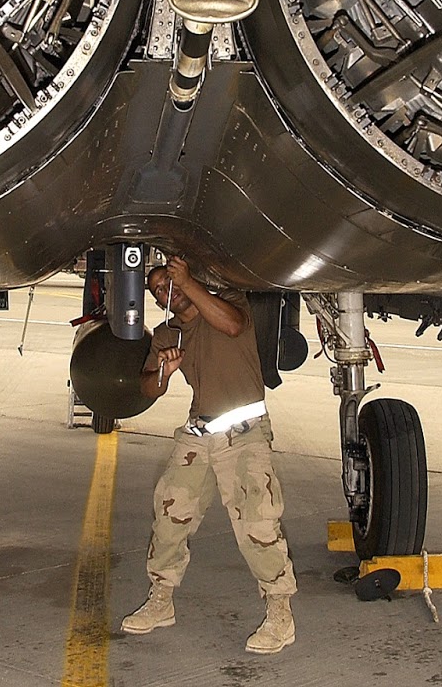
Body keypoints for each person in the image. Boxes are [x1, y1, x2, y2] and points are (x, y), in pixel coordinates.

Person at [120, 255, 297, 654]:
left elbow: (232, 325)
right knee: (168, 518)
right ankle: (161, 601)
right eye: (159, 290)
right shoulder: (167, 335)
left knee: (258, 525)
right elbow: (149, 388)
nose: (169, 290)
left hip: (245, 432)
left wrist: (190, 283)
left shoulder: (229, 301)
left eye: (171, 281)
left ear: (188, 277)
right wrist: (163, 372)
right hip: (199, 432)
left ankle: (280, 614)